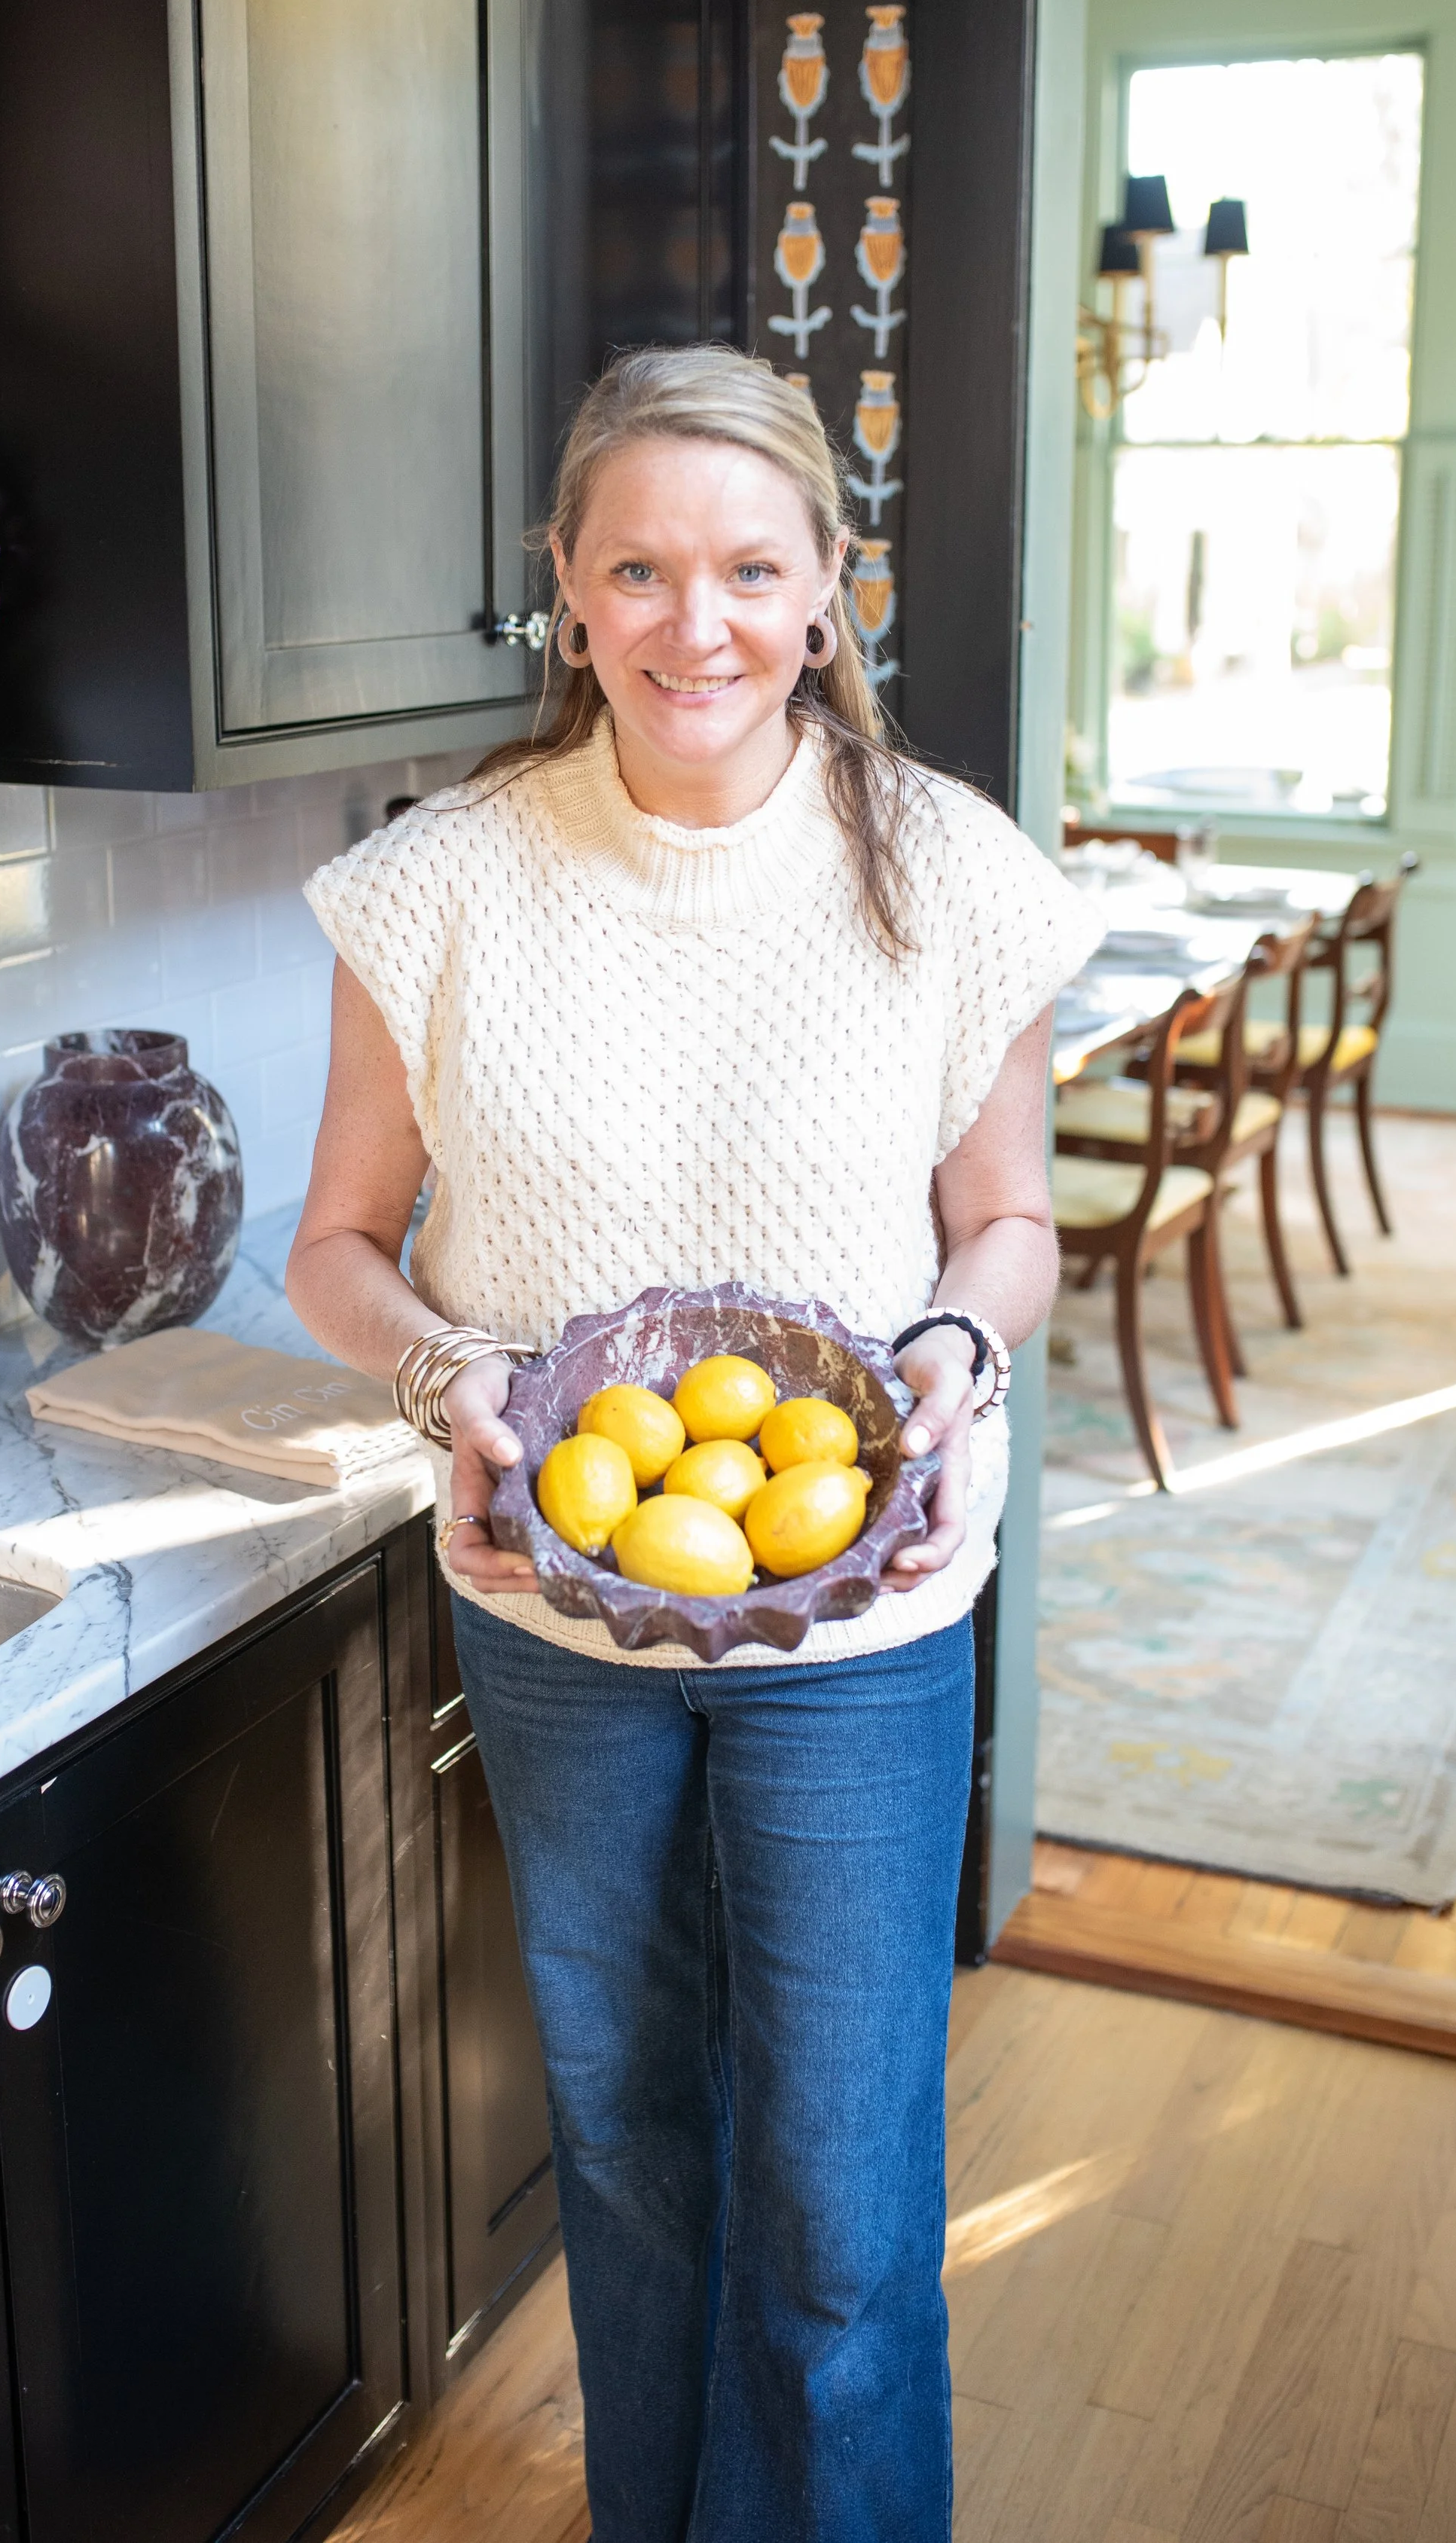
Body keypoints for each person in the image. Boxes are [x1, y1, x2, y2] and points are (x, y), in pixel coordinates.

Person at [286, 345, 1100, 2542]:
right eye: (637, 568)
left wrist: (955, 1347)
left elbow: (1010, 1221)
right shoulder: (436, 886)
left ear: (829, 586)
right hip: (555, 1609)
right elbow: (338, 1249)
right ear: (563, 585)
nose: (695, 623)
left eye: (749, 567)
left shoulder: (951, 877)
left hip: (863, 1621)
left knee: (836, 2201)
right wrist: (446, 1385)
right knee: (634, 2155)